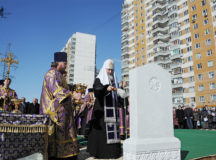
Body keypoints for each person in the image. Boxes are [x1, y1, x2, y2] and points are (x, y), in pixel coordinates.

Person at [40, 52, 80, 160]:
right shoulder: (51, 74)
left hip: (62, 112)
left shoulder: (58, 74)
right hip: (54, 113)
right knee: (57, 138)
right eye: (65, 63)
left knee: (67, 134)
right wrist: (72, 94)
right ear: (59, 62)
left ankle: (67, 155)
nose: (66, 65)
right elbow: (57, 91)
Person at [87, 59, 126, 159]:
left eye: (112, 70)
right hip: (102, 111)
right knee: (102, 134)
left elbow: (119, 96)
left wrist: (122, 87)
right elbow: (97, 90)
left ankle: (113, 152)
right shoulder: (99, 79)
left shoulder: (114, 81)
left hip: (113, 111)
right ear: (105, 69)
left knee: (113, 131)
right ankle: (101, 152)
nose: (110, 72)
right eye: (109, 70)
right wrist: (105, 88)